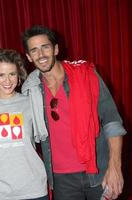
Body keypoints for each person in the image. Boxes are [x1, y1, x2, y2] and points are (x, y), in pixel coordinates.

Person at [21, 25, 127, 200]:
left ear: (56, 49)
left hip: (97, 171)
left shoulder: (86, 75)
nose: (41, 55)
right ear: (28, 56)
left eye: (45, 47)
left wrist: (115, 167)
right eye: (34, 50)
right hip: (61, 179)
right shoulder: (30, 90)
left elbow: (112, 122)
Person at [0, 49, 48, 200]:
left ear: (18, 75)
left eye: (12, 74)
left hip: (34, 188)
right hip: (0, 192)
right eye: (1, 75)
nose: (7, 80)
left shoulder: (31, 102)